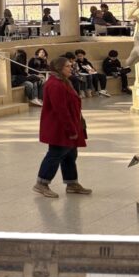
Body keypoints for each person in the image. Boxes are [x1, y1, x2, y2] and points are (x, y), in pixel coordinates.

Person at [33, 56, 91, 198]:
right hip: (59, 127)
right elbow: (61, 110)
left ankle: (71, 183)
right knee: (55, 154)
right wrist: (71, 129)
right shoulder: (55, 85)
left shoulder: (63, 81)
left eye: (71, 65)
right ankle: (41, 183)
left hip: (68, 124)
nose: (71, 68)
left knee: (70, 154)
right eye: (67, 66)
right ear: (59, 68)